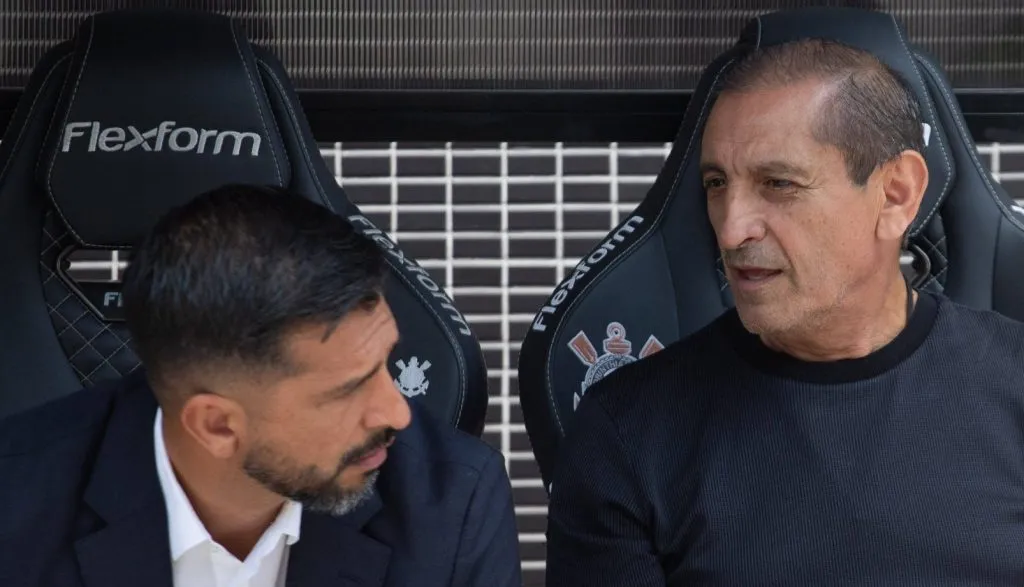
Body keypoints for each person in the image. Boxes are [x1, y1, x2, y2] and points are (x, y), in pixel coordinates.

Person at [545, 39, 1024, 586]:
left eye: (778, 184)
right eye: (716, 184)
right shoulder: (627, 432)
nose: (730, 229)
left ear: (895, 195)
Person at [0, 184, 521, 587]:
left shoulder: (451, 504)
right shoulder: (17, 508)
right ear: (217, 424)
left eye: (387, 362)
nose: (397, 413)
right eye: (346, 390)